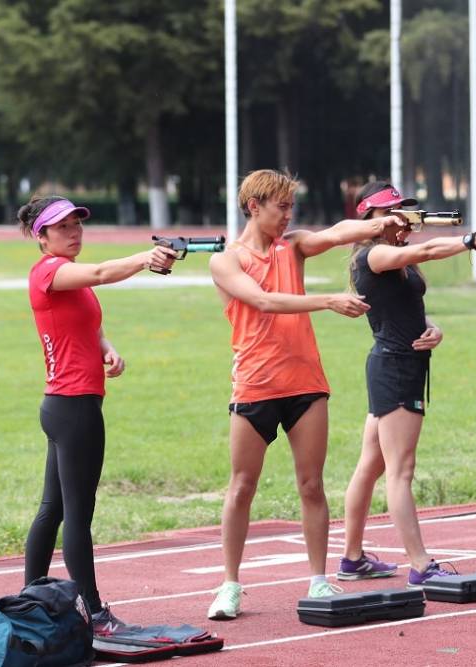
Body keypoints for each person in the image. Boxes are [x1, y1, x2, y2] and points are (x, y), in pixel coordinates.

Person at [205, 169, 406, 620]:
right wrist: (328, 300)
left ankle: (318, 580)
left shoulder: (291, 245)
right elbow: (263, 302)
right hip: (255, 384)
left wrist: (379, 225)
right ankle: (230, 585)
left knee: (312, 485)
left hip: (306, 384)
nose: (288, 215)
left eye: (291, 207)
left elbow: (337, 234)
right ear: (254, 206)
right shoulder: (226, 260)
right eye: (281, 207)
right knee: (242, 487)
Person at [19, 195, 177, 635]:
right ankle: (93, 612)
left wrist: (106, 348)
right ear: (42, 235)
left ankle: (32, 600)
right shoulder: (51, 271)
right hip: (74, 408)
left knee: (52, 509)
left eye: (77, 224)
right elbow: (106, 272)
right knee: (77, 515)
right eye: (63, 227)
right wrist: (146, 258)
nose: (74, 232)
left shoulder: (69, 278)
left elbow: (88, 323)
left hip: (64, 404)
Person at [338, 182, 476, 587]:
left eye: (403, 210)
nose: (400, 218)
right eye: (389, 212)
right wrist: (469, 241)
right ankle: (420, 564)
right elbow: (426, 250)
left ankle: (351, 558)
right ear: (369, 221)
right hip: (395, 368)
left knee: (373, 464)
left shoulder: (395, 257)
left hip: (397, 364)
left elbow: (404, 311)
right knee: (401, 469)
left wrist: (434, 328)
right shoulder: (375, 254)